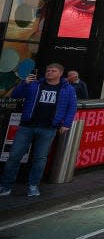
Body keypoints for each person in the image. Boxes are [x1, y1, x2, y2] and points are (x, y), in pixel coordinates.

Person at [1, 64, 78, 198]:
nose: (49, 72)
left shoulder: (67, 89)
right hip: (27, 125)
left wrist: (66, 124)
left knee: (40, 158)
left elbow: (72, 106)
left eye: (53, 71)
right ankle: (6, 185)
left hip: (48, 128)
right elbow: (15, 95)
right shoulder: (34, 84)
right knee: (14, 156)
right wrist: (24, 84)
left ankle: (33, 186)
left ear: (60, 73)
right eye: (48, 70)